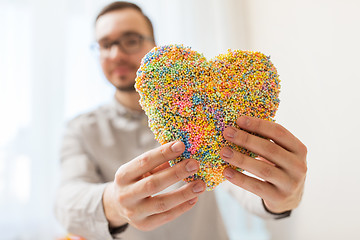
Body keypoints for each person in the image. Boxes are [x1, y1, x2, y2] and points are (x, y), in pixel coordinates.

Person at [54, 1, 308, 240]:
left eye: (130, 40)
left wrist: (279, 198)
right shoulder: (81, 129)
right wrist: (113, 202)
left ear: (154, 46)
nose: (116, 53)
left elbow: (238, 177)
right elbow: (66, 201)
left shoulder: (208, 110)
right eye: (105, 44)